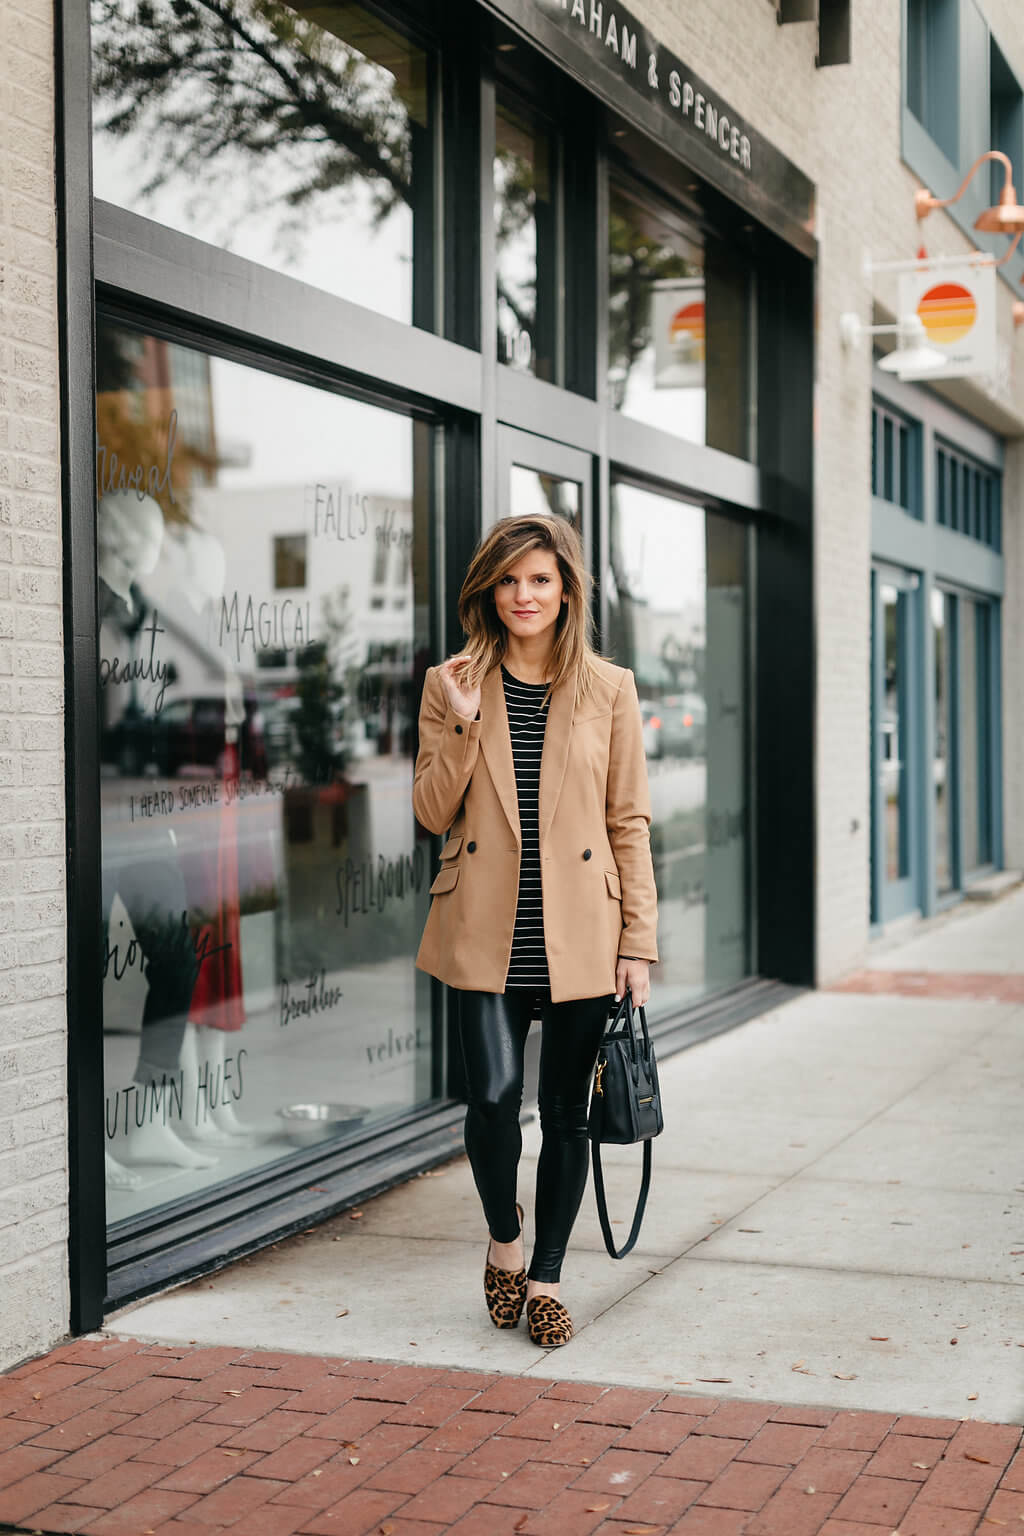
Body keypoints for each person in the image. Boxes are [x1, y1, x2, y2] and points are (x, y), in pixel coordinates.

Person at [412, 514, 659, 1348]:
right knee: (489, 1100)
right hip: (484, 926)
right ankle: (504, 1242)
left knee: (565, 1115)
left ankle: (547, 1278)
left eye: (541, 580)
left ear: (566, 591)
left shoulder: (607, 688)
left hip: (583, 930)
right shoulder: (450, 682)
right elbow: (429, 810)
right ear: (490, 588)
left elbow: (628, 821)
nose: (525, 595)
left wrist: (638, 941)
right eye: (510, 580)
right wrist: (461, 718)